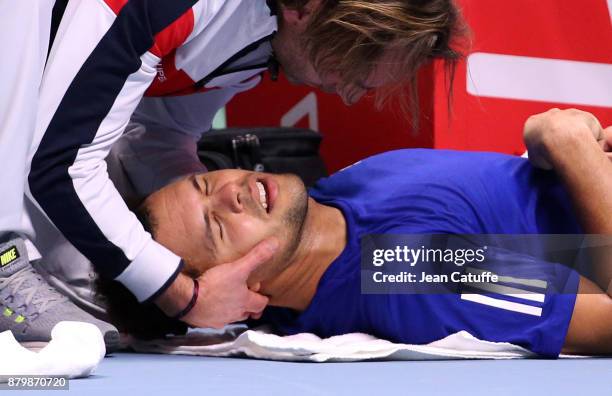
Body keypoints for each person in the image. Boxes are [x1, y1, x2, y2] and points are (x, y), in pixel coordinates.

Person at [0, 0, 465, 346]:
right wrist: (179, 293)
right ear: (306, 7)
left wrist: (200, 275)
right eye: (351, 69)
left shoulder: (261, 45)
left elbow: (157, 136)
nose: (343, 95)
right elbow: (59, 164)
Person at [98, 109, 612, 357]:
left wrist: (569, 163)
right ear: (236, 297)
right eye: (216, 229)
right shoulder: (407, 269)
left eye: (205, 182)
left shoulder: (337, 192)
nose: (231, 192)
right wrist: (568, 147)